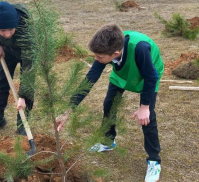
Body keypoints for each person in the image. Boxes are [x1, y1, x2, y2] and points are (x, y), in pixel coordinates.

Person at [56, 24, 164, 182]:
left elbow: (150, 77)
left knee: (147, 118)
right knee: (109, 104)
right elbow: (90, 79)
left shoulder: (140, 49)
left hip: (147, 76)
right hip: (121, 74)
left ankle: (154, 161)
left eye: (99, 57)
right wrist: (68, 111)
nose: (96, 59)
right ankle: (108, 140)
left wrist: (144, 107)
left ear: (115, 53)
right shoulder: (107, 49)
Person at [0, 1, 34, 136]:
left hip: (27, 52)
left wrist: (22, 96)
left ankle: (22, 124)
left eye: (11, 29)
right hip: (8, 51)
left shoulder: (26, 27)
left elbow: (29, 69)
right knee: (2, 83)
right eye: (2, 30)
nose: (7, 34)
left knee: (27, 90)